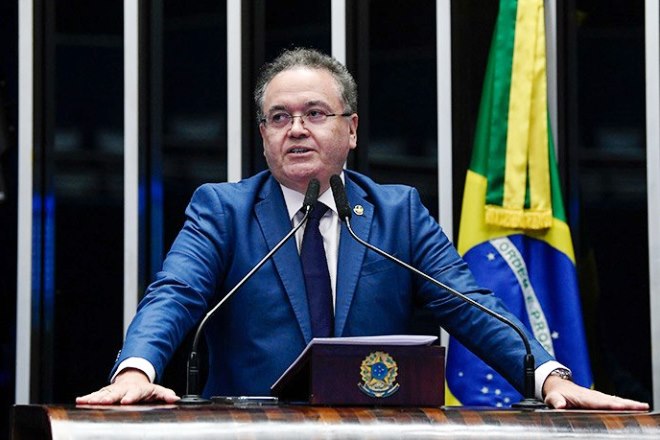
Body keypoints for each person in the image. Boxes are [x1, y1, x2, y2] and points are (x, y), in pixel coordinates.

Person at [77, 48, 648, 410]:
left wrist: (548, 376)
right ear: (264, 135)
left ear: (351, 129)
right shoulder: (222, 210)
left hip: (372, 427)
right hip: (252, 430)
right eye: (279, 118)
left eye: (314, 114)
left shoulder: (397, 212)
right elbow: (175, 293)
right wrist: (136, 368)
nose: (295, 129)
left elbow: (470, 304)